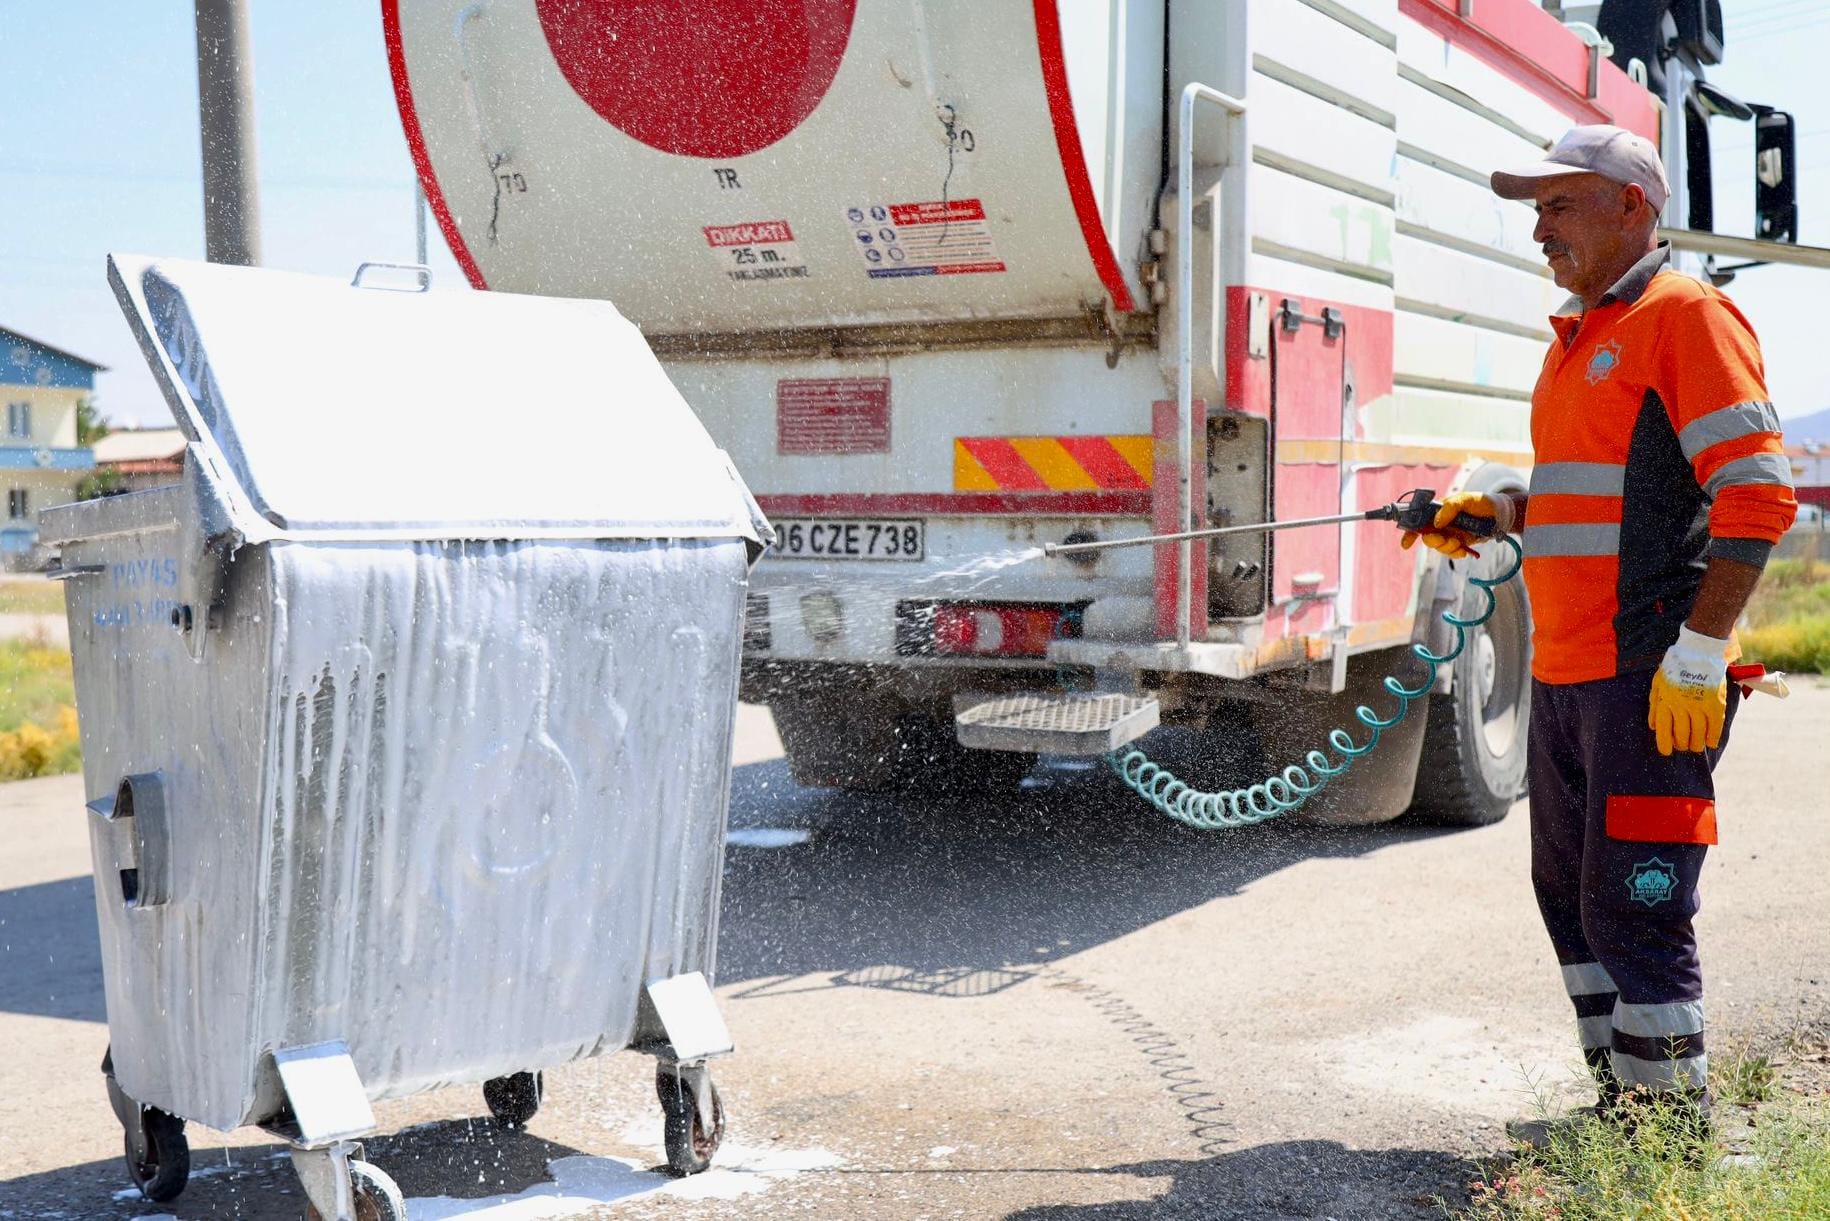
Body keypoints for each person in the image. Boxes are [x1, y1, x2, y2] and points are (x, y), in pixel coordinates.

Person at [1401, 125, 1798, 1143]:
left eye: (1558, 204)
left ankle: (1667, 1144)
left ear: (1633, 205)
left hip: (1649, 672)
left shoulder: (1686, 317)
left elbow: (1756, 494)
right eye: (1534, 210)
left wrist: (1701, 653)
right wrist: (1485, 519)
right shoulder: (1578, 338)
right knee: (1572, 898)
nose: (1539, 229)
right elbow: (1604, 504)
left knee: (1637, 904)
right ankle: (1622, 1106)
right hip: (1572, 675)